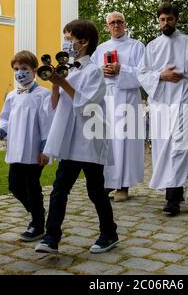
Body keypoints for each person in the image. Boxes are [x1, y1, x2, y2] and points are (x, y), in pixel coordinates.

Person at [35, 19, 119, 254]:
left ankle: (109, 232)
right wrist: (54, 85)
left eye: (69, 39)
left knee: (95, 190)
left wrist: (61, 82)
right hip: (69, 141)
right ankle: (51, 237)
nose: (66, 43)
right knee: (59, 189)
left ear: (84, 42)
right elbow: (53, 107)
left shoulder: (94, 71)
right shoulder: (68, 70)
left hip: (89, 139)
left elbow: (87, 104)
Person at [137, 2, 188, 216]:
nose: (166, 23)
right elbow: (142, 74)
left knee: (180, 145)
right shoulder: (152, 46)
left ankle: (172, 198)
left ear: (176, 20)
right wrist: (161, 75)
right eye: (162, 19)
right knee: (162, 146)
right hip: (160, 101)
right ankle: (175, 188)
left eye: (169, 19)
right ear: (158, 21)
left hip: (182, 97)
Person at [0, 50, 53, 242]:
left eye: (24, 68)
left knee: (32, 186)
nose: (20, 72)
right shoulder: (11, 96)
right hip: (16, 148)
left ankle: (37, 223)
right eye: (16, 69)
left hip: (35, 151)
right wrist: (0, 131)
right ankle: (37, 211)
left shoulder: (43, 95)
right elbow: (6, 119)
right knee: (15, 186)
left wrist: (44, 149)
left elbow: (47, 123)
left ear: (34, 70)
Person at [91, 11, 145, 202]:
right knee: (107, 141)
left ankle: (123, 185)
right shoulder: (100, 49)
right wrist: (102, 71)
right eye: (112, 23)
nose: (116, 25)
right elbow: (91, 72)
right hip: (107, 97)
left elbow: (143, 73)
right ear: (107, 27)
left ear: (125, 24)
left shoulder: (137, 46)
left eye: (119, 22)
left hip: (127, 97)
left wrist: (120, 69)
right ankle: (107, 183)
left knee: (125, 142)